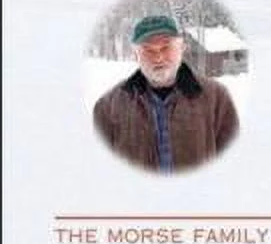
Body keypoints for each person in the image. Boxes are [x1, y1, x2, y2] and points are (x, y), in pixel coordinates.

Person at [93, 15, 240, 173]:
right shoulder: (108, 107)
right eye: (148, 50)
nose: (158, 57)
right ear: (136, 55)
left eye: (166, 47)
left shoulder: (217, 98)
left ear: (181, 48)